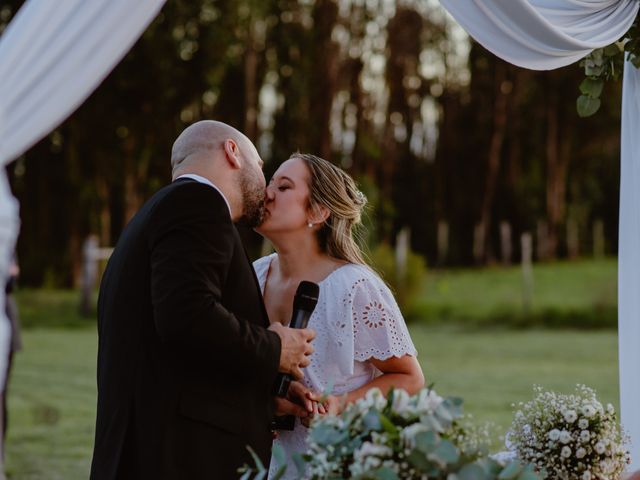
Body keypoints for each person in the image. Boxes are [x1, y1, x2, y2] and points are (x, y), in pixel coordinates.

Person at [90, 121, 316, 480]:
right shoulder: (198, 203)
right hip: (178, 460)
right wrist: (276, 347)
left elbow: (177, 356)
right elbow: (187, 316)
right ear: (232, 152)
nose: (266, 185)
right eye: (260, 166)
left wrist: (259, 401)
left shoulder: (155, 215)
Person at [253, 153, 425, 479]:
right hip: (260, 463)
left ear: (317, 212)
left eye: (284, 186)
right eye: (269, 183)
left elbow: (410, 379)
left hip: (332, 464)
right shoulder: (254, 275)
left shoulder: (354, 287)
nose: (267, 193)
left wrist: (341, 404)